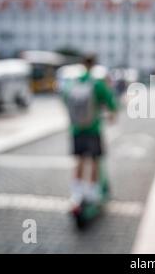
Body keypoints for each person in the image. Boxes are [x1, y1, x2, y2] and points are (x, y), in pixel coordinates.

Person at [63, 55, 117, 205]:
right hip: (93, 128)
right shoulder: (96, 84)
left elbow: (65, 99)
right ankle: (92, 193)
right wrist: (111, 113)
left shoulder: (72, 83)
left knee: (79, 160)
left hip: (76, 129)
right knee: (94, 160)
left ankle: (76, 193)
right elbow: (110, 101)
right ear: (94, 65)